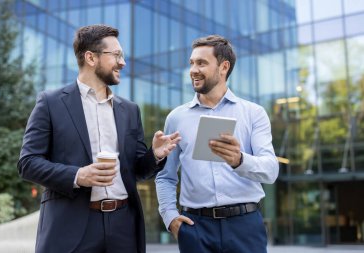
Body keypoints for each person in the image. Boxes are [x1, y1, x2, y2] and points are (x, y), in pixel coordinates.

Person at [18, 24, 180, 253]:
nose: (122, 63)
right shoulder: (51, 103)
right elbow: (28, 163)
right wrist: (77, 176)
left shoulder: (130, 110)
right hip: (71, 227)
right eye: (116, 55)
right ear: (91, 58)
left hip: (124, 225)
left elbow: (135, 171)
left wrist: (154, 155)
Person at [155, 35, 279, 253]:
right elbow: (165, 176)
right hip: (196, 228)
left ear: (223, 67)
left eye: (201, 63)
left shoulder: (253, 113)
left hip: (245, 227)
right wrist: (170, 217)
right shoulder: (176, 118)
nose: (193, 69)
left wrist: (239, 160)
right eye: (191, 63)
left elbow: (270, 170)